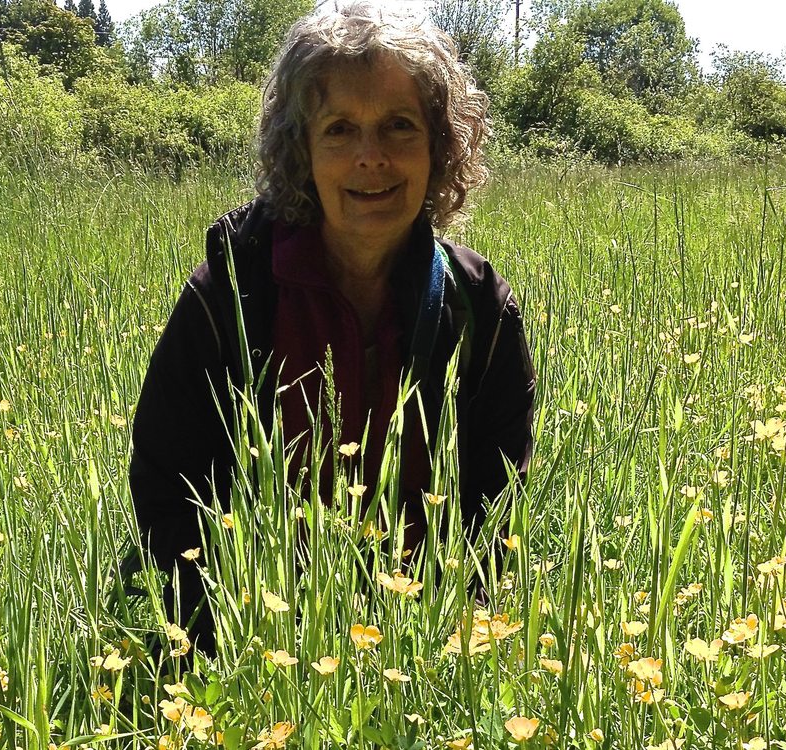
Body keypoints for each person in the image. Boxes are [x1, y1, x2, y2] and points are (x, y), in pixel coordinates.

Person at [128, 2, 535, 656]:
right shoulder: (231, 297)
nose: (369, 158)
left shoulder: (478, 310)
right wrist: (225, 650)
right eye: (340, 129)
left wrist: (453, 647)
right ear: (300, 149)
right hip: (250, 630)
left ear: (440, 146)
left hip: (417, 635)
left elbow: (494, 506)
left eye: (399, 126)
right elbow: (168, 487)